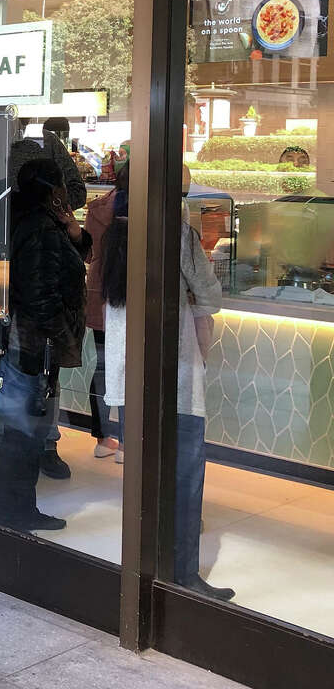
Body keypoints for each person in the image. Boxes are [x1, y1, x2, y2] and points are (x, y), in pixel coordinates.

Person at [100, 184, 234, 602]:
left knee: (143, 473)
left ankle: (140, 570)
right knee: (185, 472)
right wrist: (195, 301)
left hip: (128, 371)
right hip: (174, 368)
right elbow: (209, 292)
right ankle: (183, 574)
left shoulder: (114, 233)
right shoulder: (174, 232)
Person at [0, 159, 91, 533]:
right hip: (35, 344)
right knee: (25, 429)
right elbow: (40, 293)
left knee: (25, 426)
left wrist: (73, 231)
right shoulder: (39, 227)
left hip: (27, 339)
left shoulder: (28, 219)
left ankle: (16, 507)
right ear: (52, 188)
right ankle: (14, 510)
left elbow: (71, 259)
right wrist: (60, 337)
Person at [0, 136, 76, 480]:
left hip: (7, 298)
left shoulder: (42, 202)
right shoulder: (4, 196)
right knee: (33, 374)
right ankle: (29, 445)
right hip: (11, 300)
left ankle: (10, 443)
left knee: (11, 374)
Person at [83, 162, 129, 458]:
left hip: (101, 291)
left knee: (103, 366)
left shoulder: (98, 208)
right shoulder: (149, 208)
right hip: (132, 292)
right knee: (132, 369)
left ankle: (102, 439)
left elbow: (87, 252)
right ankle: (127, 441)